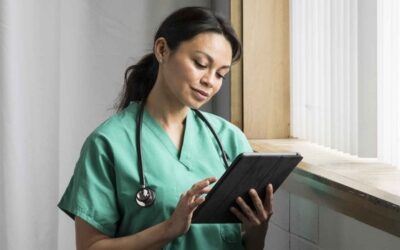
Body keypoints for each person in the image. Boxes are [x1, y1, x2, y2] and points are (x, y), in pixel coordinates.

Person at [58, 6, 273, 250]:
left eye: (220, 74)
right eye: (200, 64)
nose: (210, 81)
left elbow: (246, 245)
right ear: (162, 50)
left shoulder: (229, 139)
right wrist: (168, 229)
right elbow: (90, 247)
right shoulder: (109, 143)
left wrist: (258, 230)